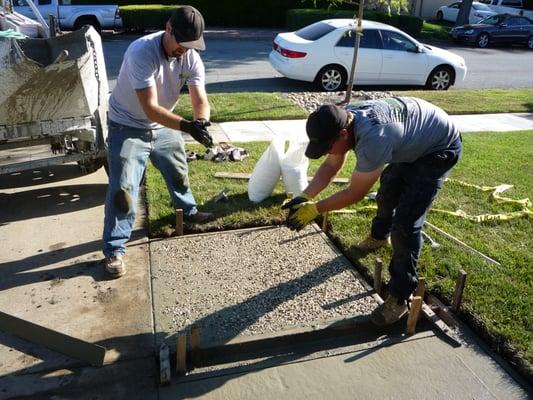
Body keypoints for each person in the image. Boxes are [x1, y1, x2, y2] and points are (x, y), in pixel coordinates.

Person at [282, 97, 462, 326]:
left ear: (343, 136)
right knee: (387, 190)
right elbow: (330, 166)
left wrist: (315, 209)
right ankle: (379, 238)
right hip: (413, 138)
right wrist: (305, 196)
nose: (328, 152)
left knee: (406, 224)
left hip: (439, 149)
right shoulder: (344, 120)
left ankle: (399, 298)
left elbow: (354, 193)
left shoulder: (374, 140)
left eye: (327, 147)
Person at [103, 6, 215, 278]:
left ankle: (188, 212)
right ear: (168, 29)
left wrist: (200, 121)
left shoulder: (189, 56)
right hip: (127, 125)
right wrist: (186, 125)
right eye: (181, 43)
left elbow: (200, 98)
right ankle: (115, 249)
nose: (185, 50)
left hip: (163, 126)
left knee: (178, 169)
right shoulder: (141, 52)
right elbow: (150, 108)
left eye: (191, 45)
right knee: (124, 188)